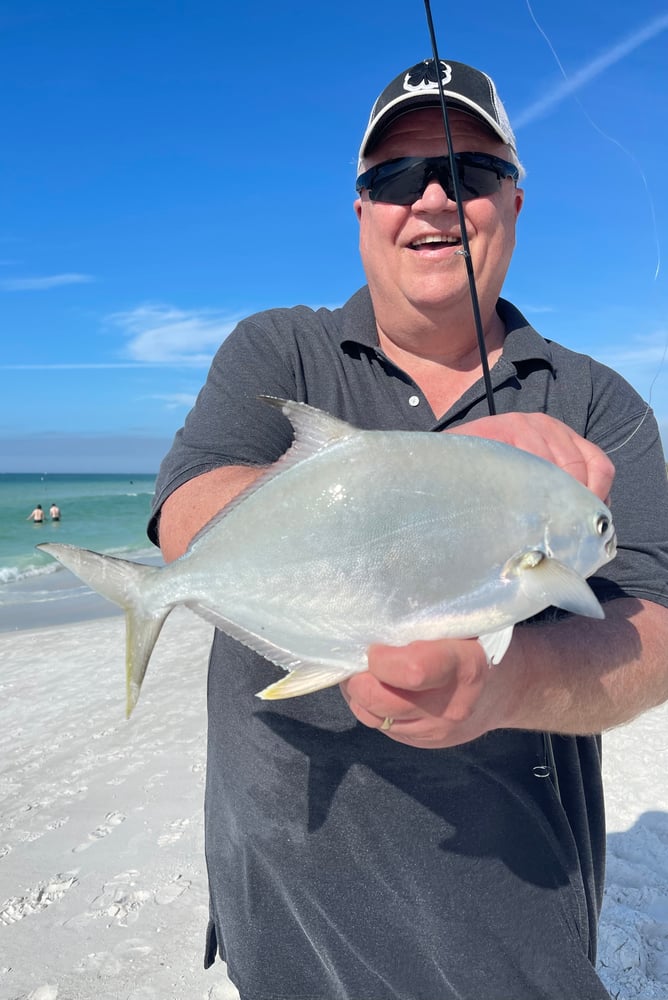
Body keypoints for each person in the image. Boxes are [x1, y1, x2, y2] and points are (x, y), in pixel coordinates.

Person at [148, 58, 668, 1000]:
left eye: (466, 174)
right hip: (283, 907)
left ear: (513, 201)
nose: (431, 199)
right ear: (361, 212)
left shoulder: (599, 405)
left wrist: (502, 689)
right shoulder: (280, 348)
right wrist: (422, 476)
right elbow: (187, 506)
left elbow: (654, 629)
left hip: (513, 926)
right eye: (395, 177)